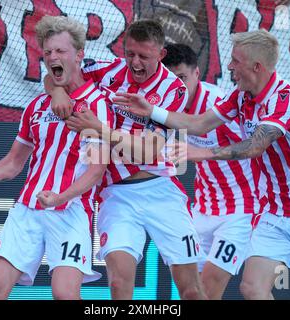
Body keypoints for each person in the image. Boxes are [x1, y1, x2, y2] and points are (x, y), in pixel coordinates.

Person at [121, 29, 290, 300]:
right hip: (274, 213)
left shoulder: (286, 98)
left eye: (235, 61)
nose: (230, 67)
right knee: (252, 289)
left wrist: (202, 153)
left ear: (256, 66)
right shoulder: (241, 96)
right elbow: (199, 123)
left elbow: (255, 146)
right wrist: (152, 111)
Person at [46, 19, 206, 300]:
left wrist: (99, 129)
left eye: (144, 56)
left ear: (161, 54)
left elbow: (148, 151)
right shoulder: (107, 71)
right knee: (119, 286)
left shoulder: (174, 90)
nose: (135, 62)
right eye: (129, 53)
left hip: (160, 190)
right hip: (115, 194)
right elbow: (57, 73)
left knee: (191, 290)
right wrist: (58, 90)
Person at [0, 15, 114, 300]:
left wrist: (60, 198)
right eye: (47, 52)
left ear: (79, 55)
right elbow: (14, 162)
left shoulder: (98, 104)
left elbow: (96, 172)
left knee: (64, 294)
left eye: (60, 51)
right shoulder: (36, 106)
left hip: (71, 210)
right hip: (28, 207)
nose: (52, 57)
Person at [160, 43, 264, 299]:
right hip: (202, 210)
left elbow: (256, 146)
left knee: (209, 288)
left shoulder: (220, 105)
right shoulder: (162, 104)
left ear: (197, 73)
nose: (177, 87)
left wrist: (200, 153)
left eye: (182, 78)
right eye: (171, 79)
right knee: (191, 293)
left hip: (241, 209)